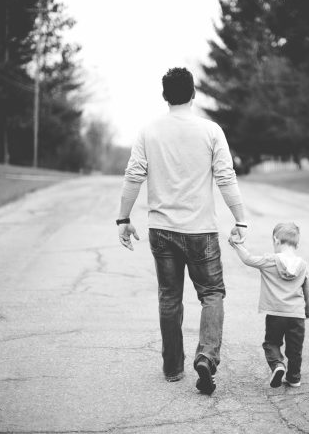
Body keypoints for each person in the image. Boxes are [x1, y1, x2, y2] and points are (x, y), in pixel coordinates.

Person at [116, 67, 247, 395]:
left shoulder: (149, 131)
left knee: (169, 297)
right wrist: (240, 219)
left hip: (162, 229)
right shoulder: (211, 130)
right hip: (200, 230)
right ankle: (206, 356)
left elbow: (134, 175)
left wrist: (123, 218)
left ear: (165, 96)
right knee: (212, 294)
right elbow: (226, 177)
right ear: (193, 94)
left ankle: (173, 367)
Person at [228, 222, 309, 388]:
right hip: (296, 316)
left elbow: (248, 259)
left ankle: (277, 365)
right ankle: (294, 378)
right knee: (295, 349)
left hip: (275, 315)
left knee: (272, 343)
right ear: (297, 244)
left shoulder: (270, 260)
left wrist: (236, 244)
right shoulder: (303, 265)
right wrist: (307, 311)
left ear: (276, 240)